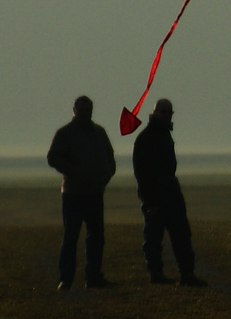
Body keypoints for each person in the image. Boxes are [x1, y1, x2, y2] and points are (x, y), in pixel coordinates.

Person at [132, 98, 206, 286]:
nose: (166, 115)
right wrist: (150, 201)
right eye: (163, 112)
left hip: (171, 192)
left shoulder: (164, 135)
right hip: (155, 195)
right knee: (153, 238)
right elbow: (141, 173)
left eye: (169, 112)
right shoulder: (146, 138)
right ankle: (156, 274)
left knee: (182, 235)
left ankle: (186, 274)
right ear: (154, 112)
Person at [47, 95, 117, 290]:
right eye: (82, 110)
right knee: (71, 236)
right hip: (74, 194)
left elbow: (110, 157)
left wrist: (106, 175)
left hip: (95, 193)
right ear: (74, 110)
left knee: (96, 236)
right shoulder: (65, 133)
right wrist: (74, 171)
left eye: (88, 110)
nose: (85, 114)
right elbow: (53, 157)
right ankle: (66, 278)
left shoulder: (99, 133)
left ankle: (93, 276)